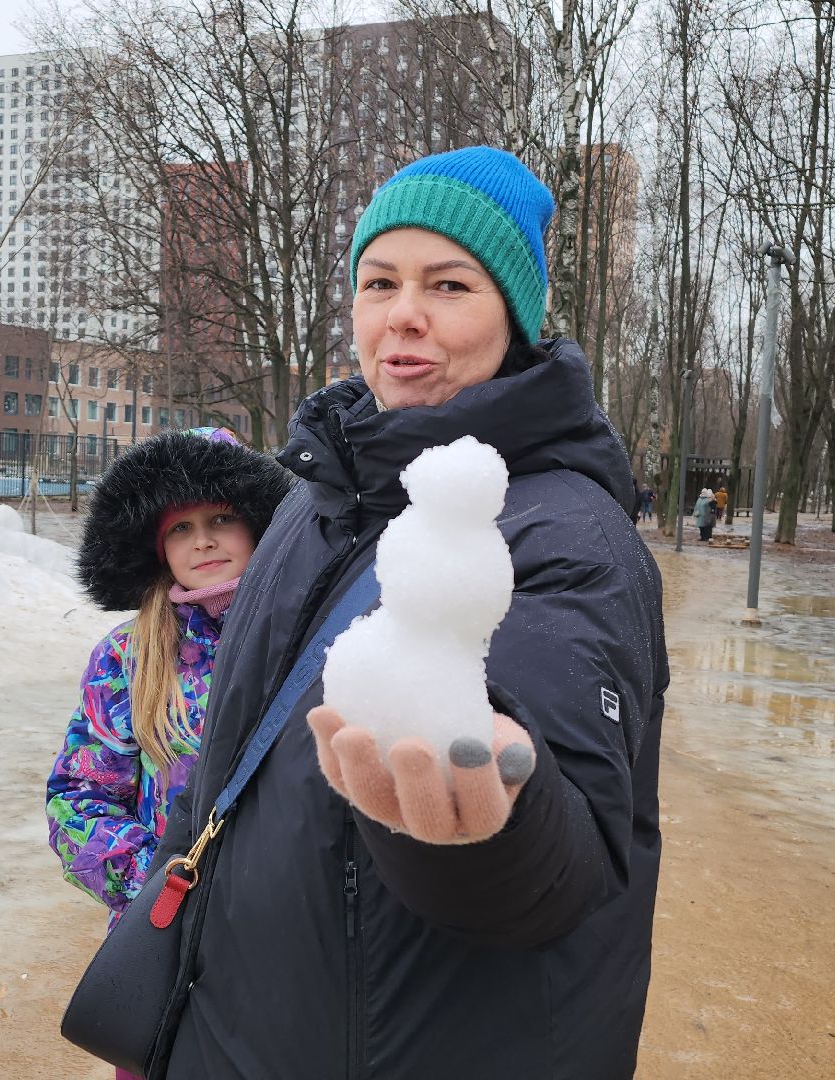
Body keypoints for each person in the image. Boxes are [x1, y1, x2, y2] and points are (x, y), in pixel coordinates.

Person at [134, 146, 667, 1079]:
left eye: (449, 284)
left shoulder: (571, 537)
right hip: (232, 1037)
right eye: (379, 282)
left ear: (514, 317)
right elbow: (231, 746)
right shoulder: (308, 506)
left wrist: (486, 827)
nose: (403, 313)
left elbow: (564, 872)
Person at [44, 428, 291, 975]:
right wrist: (158, 885)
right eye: (181, 527)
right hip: (173, 940)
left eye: (221, 518)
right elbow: (80, 796)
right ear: (159, 548)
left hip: (293, 933)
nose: (202, 541)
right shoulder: (127, 658)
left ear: (258, 524)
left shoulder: (306, 641)